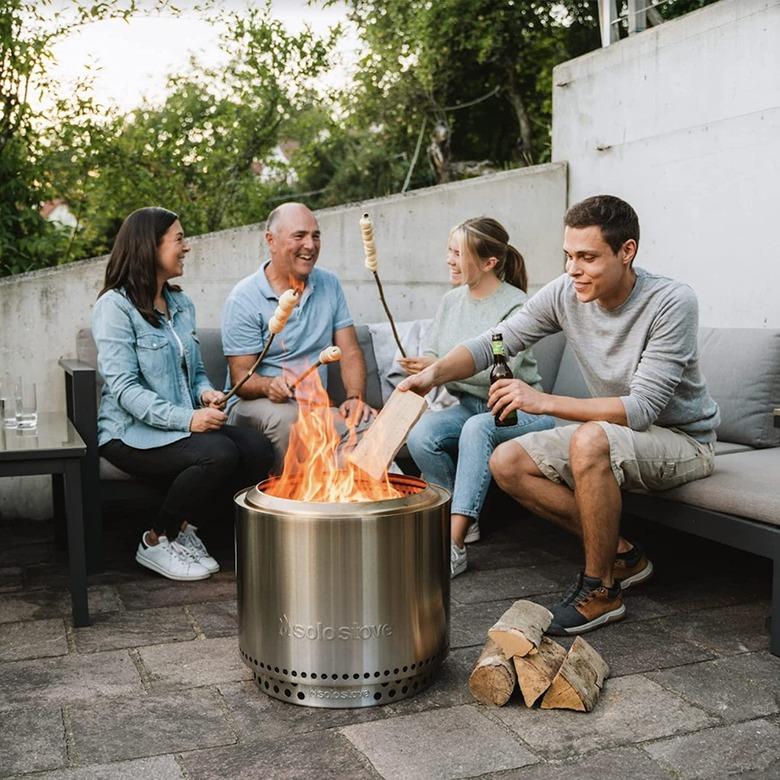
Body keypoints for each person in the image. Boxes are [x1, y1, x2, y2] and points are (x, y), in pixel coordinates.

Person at [399, 195, 719, 635]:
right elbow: (494, 341)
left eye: (587, 257)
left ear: (627, 252)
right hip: (614, 431)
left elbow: (641, 408)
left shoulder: (671, 301)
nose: (573, 269)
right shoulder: (567, 292)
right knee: (507, 462)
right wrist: (432, 374)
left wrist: (541, 400)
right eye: (568, 256)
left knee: (589, 438)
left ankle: (601, 590)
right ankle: (624, 555)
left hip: (682, 439)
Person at [92, 207, 274, 581]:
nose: (186, 247)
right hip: (130, 433)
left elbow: (196, 373)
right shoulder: (114, 307)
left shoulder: (180, 304)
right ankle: (156, 540)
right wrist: (188, 418)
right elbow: (125, 390)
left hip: (179, 426)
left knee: (257, 448)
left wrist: (206, 394)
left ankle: (186, 530)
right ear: (149, 246)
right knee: (218, 453)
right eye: (178, 239)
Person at [401, 218, 554, 578]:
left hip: (519, 410)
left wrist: (441, 366)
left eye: (458, 254)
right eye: (449, 251)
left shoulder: (517, 306)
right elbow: (437, 351)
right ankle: (457, 514)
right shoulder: (450, 301)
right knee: (422, 435)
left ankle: (453, 547)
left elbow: (497, 370)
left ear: (489, 262)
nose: (449, 261)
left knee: (475, 430)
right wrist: (427, 365)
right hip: (469, 407)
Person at [221, 202, 375, 467]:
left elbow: (349, 351)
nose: (310, 245)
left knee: (374, 425)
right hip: (256, 405)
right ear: (271, 240)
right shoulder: (243, 298)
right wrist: (269, 385)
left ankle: (338, 497)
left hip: (314, 408)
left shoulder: (329, 284)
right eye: (299, 236)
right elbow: (241, 379)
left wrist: (354, 397)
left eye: (316, 236)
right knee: (288, 420)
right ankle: (290, 503)